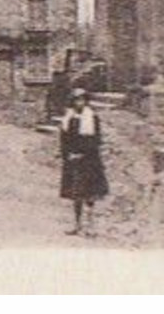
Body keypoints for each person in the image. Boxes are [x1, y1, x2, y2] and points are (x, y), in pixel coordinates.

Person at [59, 87, 108, 235]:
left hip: (89, 161)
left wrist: (82, 154)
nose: (79, 103)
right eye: (76, 100)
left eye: (82, 100)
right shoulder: (69, 118)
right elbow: (64, 139)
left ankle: (90, 226)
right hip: (72, 161)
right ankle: (76, 224)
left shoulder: (92, 118)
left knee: (89, 195)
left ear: (86, 101)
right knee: (76, 194)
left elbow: (96, 140)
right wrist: (67, 154)